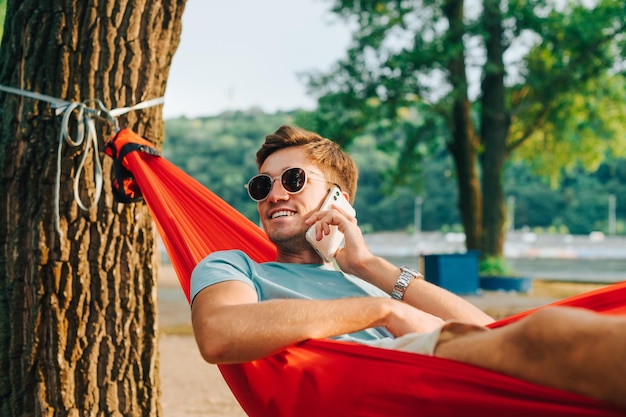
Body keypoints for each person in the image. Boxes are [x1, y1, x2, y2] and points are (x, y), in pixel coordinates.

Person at [191, 125, 626, 410]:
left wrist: (368, 264)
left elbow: (485, 332)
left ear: (338, 200)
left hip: (434, 379)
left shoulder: (365, 280)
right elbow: (220, 333)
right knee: (549, 334)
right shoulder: (236, 267)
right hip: (368, 380)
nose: (273, 195)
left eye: (293, 180)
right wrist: (385, 313)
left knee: (547, 340)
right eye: (263, 185)